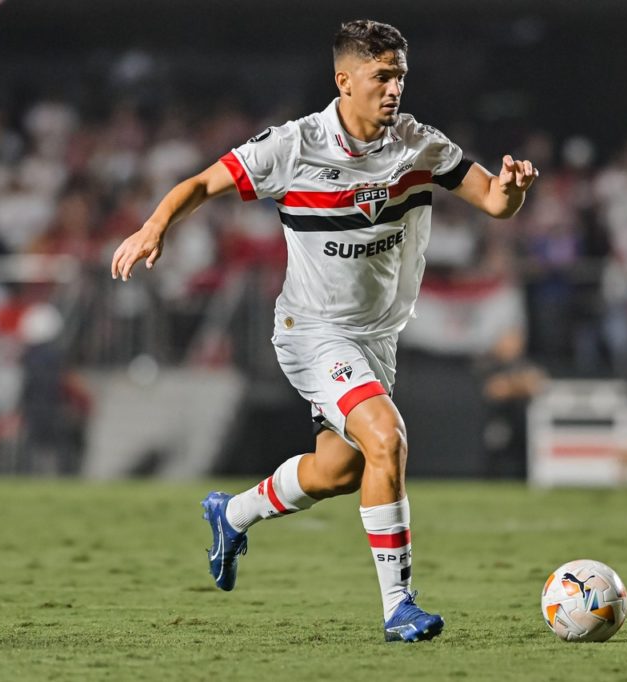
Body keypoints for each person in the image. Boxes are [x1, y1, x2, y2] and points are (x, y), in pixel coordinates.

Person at [110, 19, 538, 643]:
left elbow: (495, 203)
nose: (394, 90)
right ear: (344, 79)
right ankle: (400, 608)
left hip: (377, 339)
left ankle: (232, 513)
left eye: (400, 76)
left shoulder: (420, 145)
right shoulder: (296, 146)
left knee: (339, 471)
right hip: (312, 332)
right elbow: (203, 182)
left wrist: (515, 190)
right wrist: (155, 227)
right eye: (381, 76)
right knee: (386, 440)